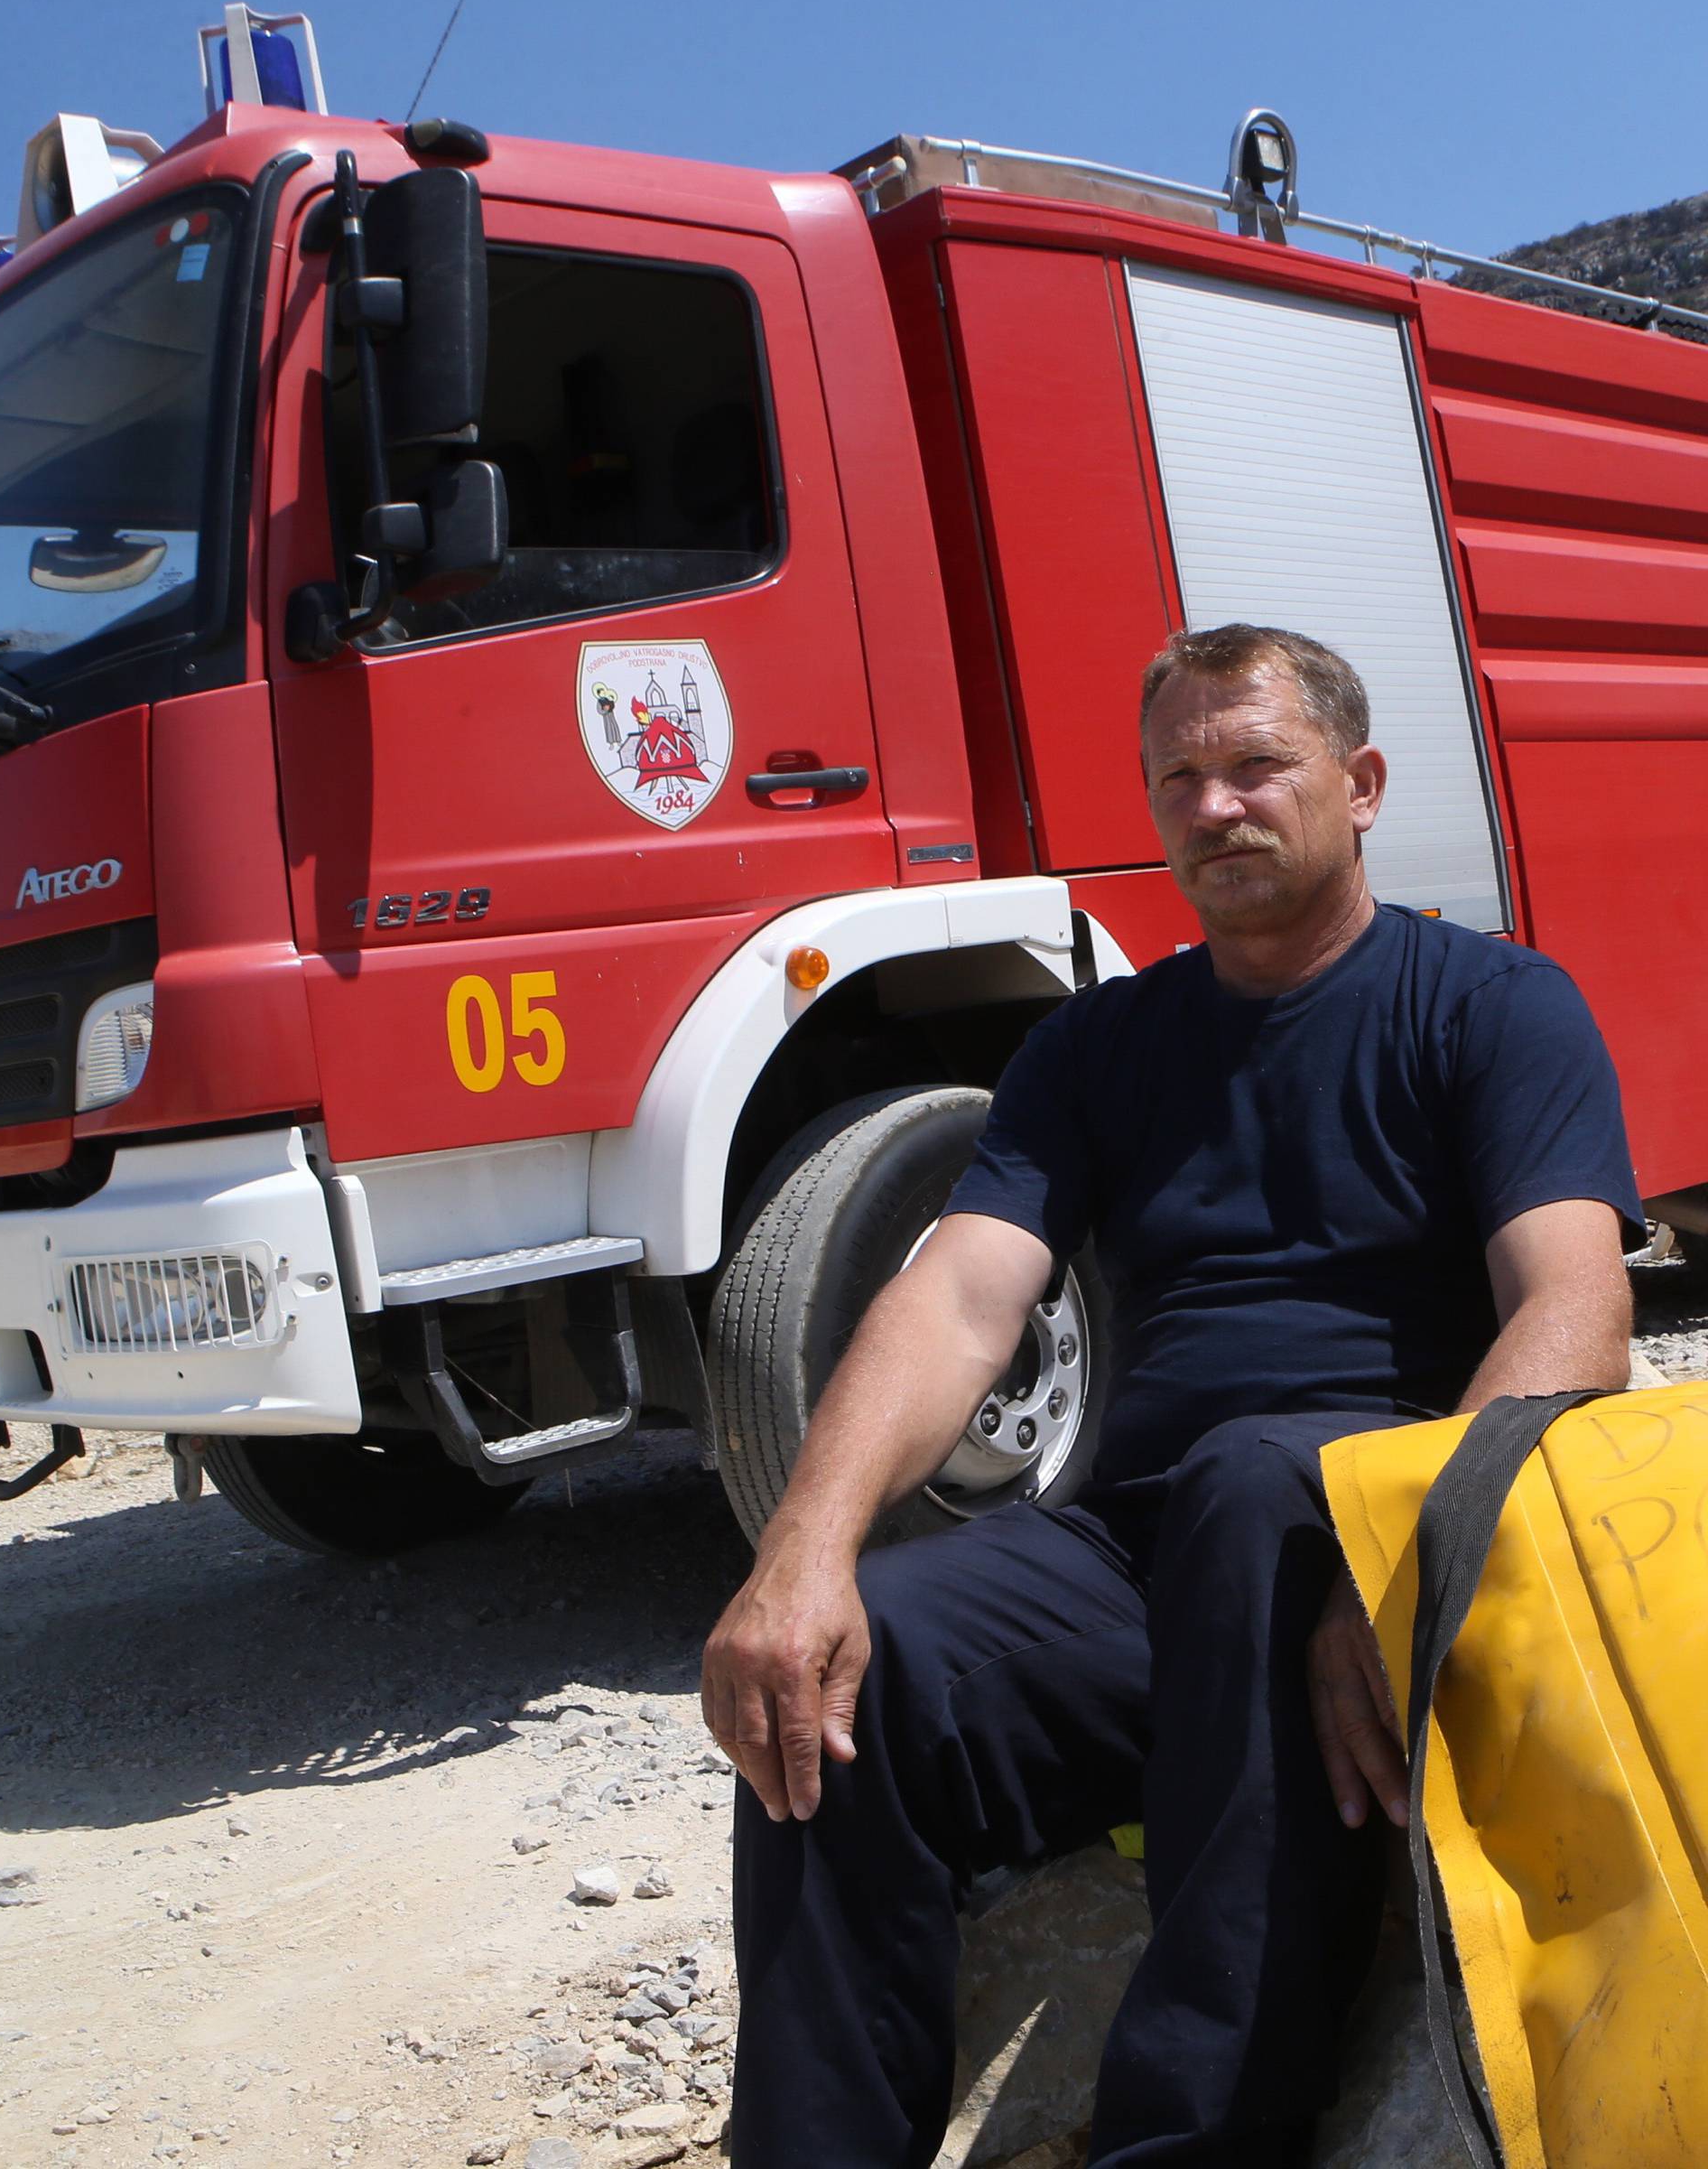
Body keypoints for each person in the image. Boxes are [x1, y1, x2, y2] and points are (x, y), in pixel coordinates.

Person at [702, 623, 1641, 2168]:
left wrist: (1401, 1560)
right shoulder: (1096, 1046)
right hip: (1165, 1565)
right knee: (859, 1672)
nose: (1217, 806)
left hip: (1393, 1560)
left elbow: (1577, 1312)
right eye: (1181, 778)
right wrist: (802, 1552)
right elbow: (956, 1295)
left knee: (1258, 1484)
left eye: (1259, 764)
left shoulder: (1493, 1007)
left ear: (1362, 783)